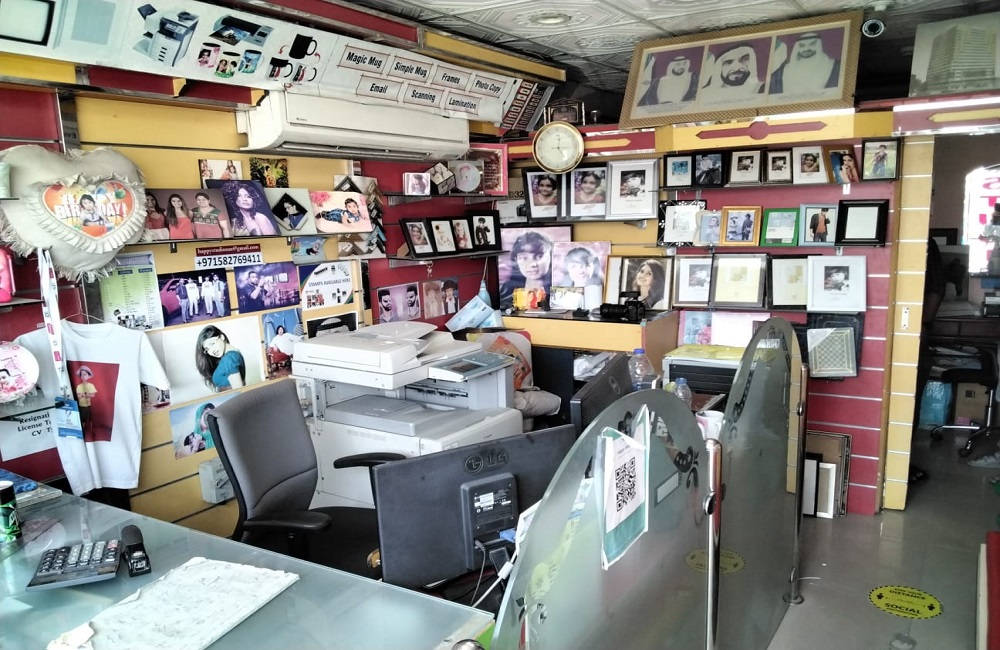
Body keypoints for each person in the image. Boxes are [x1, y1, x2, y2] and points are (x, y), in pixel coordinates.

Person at [769, 32, 840, 95]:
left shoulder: (837, 68)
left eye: (812, 44)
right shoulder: (780, 73)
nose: (806, 49)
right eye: (802, 45)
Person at [500, 231, 553, 307]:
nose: (532, 264)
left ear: (551, 256)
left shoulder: (560, 289)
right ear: (516, 260)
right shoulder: (508, 289)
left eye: (539, 256)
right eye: (524, 258)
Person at [700, 42, 764, 101]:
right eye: (728, 62)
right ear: (719, 67)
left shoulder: (762, 89)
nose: (736, 68)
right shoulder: (704, 95)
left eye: (744, 59)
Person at [195, 325, 246, 391]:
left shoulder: (229, 358)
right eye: (207, 349)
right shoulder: (234, 353)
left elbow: (239, 391)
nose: (212, 351)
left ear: (222, 337)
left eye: (212, 344)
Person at [74, 365, 97, 436]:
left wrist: (84, 394)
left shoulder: (91, 385)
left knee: (90, 418)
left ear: (88, 376)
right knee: (82, 419)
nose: (83, 376)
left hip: (88, 405)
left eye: (85, 374)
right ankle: (82, 430)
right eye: (82, 375)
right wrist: (86, 394)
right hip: (82, 406)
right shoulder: (79, 386)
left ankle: (92, 430)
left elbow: (93, 395)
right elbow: (78, 396)